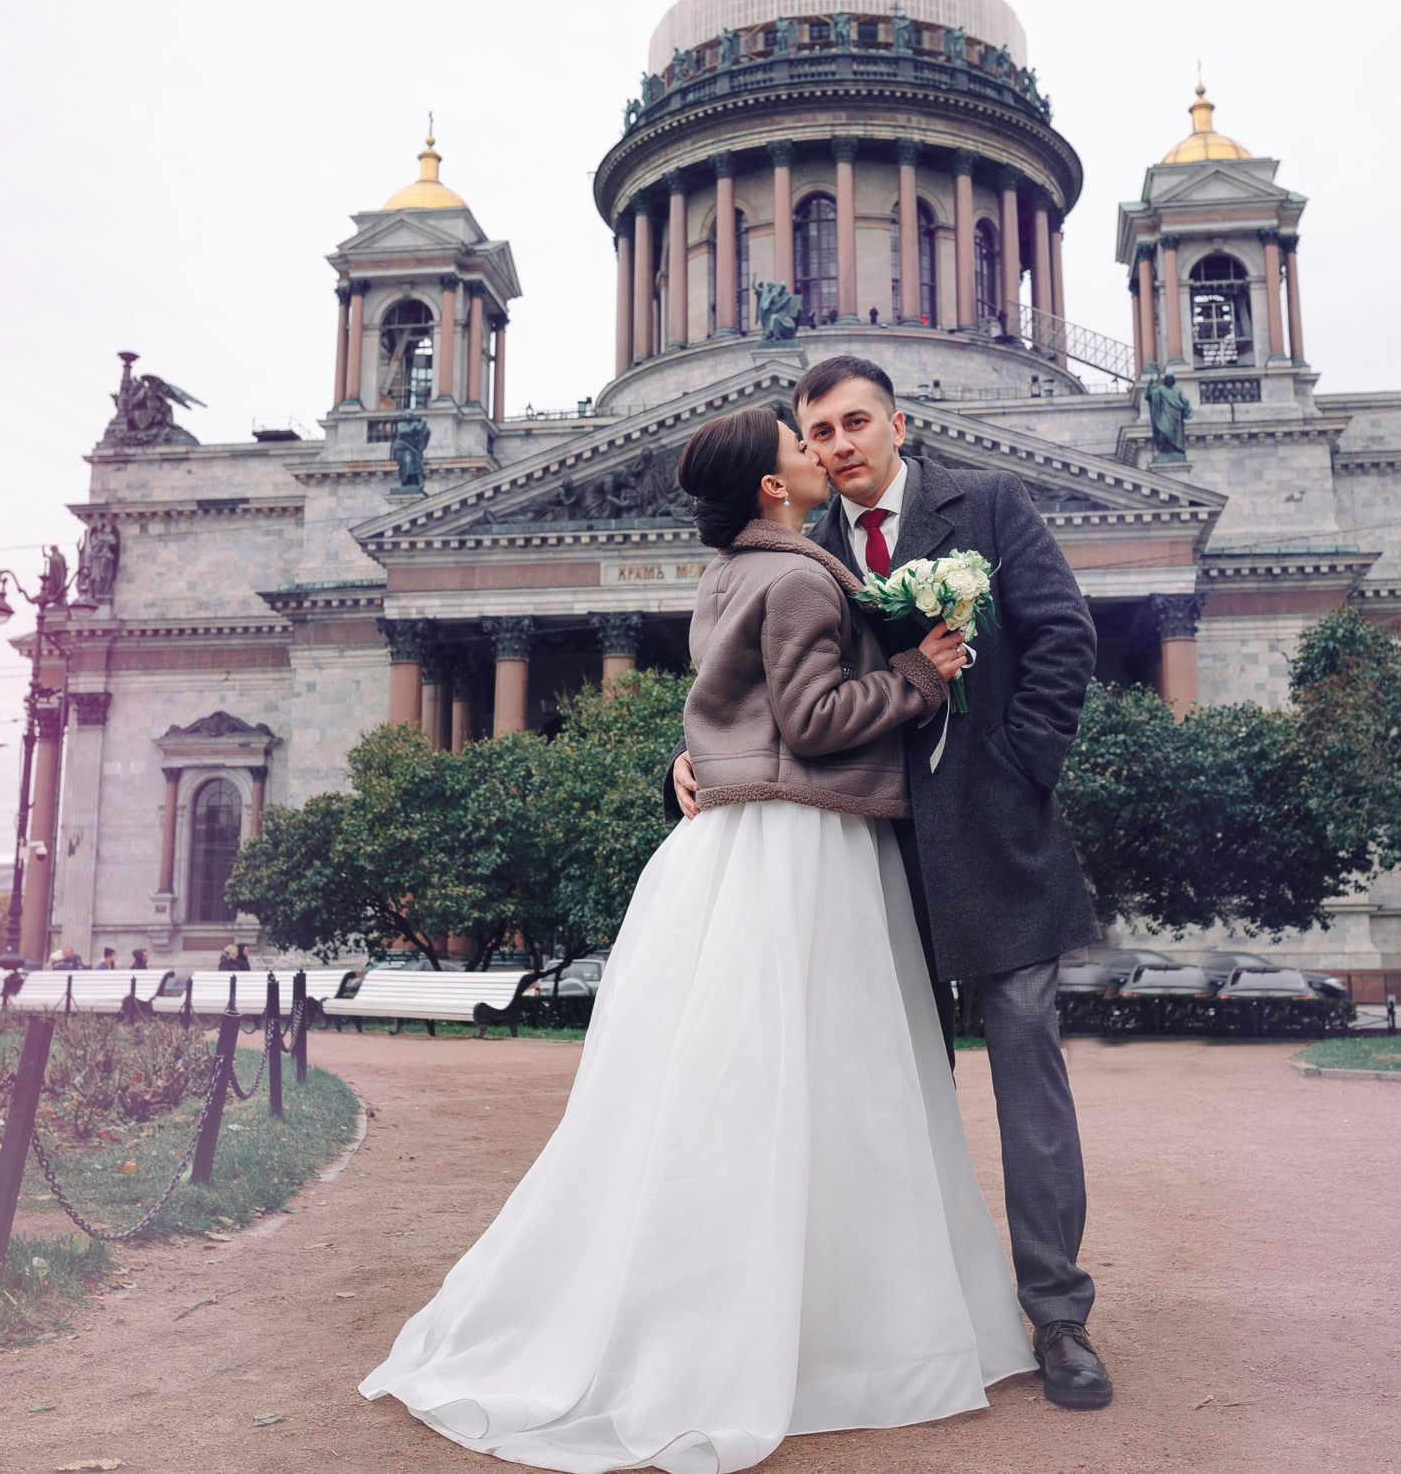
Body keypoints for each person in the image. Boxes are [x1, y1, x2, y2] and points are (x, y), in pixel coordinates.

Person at [363, 404, 1023, 1471]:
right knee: (835, 1085)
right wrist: (921, 673)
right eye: (799, 445)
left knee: (721, 1090)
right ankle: (840, 1338)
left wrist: (702, 761)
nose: (818, 453)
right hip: (802, 849)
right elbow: (809, 722)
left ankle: (722, 1320)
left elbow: (724, 709)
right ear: (772, 486)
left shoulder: (725, 573)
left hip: (729, 849)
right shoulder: (805, 573)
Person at [670, 355, 1110, 1411]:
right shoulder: (802, 546)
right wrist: (678, 763)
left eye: (855, 423)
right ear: (797, 458)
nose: (838, 447)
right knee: (881, 1096)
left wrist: (1018, 773)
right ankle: (905, 1316)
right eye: (817, 434)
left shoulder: (987, 501)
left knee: (1027, 1083)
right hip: (862, 859)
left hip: (993, 846)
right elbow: (753, 687)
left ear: (898, 424)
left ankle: (1058, 1318)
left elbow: (1061, 636)